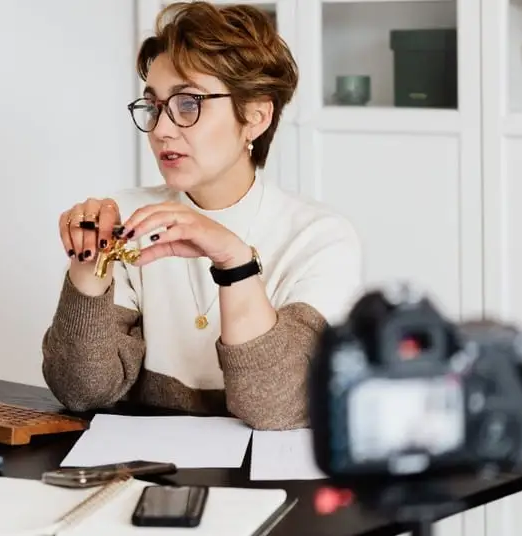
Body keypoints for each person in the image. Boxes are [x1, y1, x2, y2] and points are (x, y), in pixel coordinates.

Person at [41, 1, 363, 430]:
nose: (162, 129)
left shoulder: (321, 239)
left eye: (188, 103)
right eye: (154, 106)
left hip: (267, 486)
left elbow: (279, 408)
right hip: (149, 474)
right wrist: (87, 270)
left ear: (256, 116)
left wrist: (235, 262)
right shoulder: (129, 217)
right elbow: (82, 391)